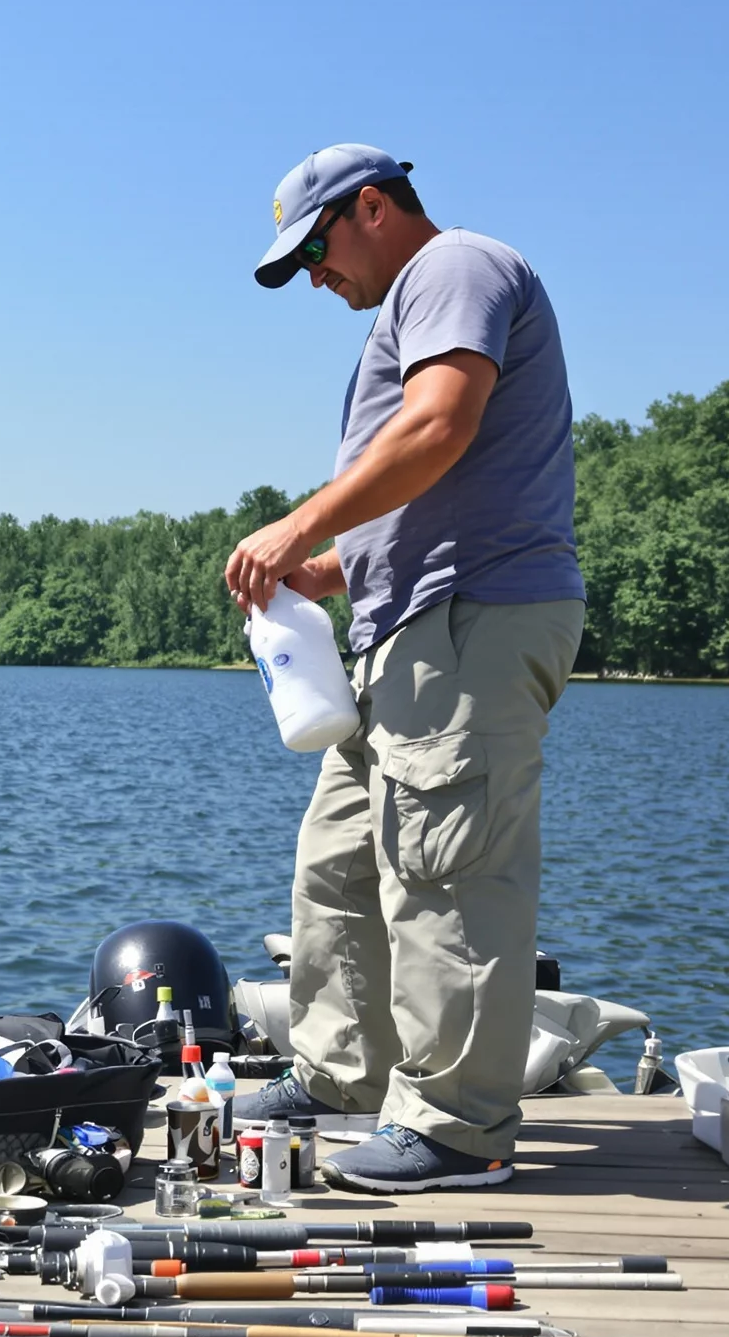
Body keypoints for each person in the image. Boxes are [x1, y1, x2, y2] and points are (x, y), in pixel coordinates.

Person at [224, 144, 585, 1193]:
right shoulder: (407, 306)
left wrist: (293, 525)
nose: (313, 277)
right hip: (405, 628)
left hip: (473, 618)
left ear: (369, 207)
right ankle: (343, 1070)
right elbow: (407, 508)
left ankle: (458, 1131)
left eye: (315, 251)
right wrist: (313, 575)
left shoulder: (453, 268)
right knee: (337, 860)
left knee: (447, 869)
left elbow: (436, 427)